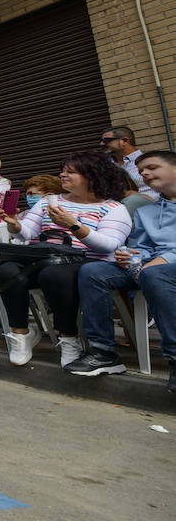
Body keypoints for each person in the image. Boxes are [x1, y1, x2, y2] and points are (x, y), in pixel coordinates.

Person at [0, 150, 132, 367]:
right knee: (8, 270)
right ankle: (21, 333)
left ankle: (69, 339)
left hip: (87, 262)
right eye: (63, 171)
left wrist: (73, 225)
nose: (62, 176)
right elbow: (28, 233)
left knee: (54, 274)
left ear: (92, 177)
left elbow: (108, 245)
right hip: (44, 259)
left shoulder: (114, 208)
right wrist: (15, 224)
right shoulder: (50, 201)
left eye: (70, 172)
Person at [66, 150, 176, 391]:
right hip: (149, 268)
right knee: (93, 271)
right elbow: (140, 246)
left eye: (152, 167)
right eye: (142, 170)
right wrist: (130, 255)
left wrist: (164, 260)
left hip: (162, 269)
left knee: (154, 273)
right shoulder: (147, 212)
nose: (145, 174)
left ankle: (174, 358)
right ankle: (103, 351)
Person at [102, 125, 157, 199]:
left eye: (106, 140)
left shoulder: (149, 161)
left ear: (124, 140)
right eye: (101, 141)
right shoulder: (105, 164)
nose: (102, 144)